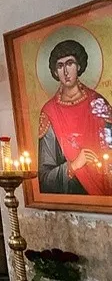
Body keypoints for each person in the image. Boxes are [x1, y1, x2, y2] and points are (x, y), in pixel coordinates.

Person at [37, 39, 112, 195]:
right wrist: (73, 166)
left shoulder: (98, 103)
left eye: (70, 63)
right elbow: (44, 177)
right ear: (55, 72)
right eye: (60, 65)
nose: (65, 71)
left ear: (79, 66)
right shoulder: (49, 111)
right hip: (71, 194)